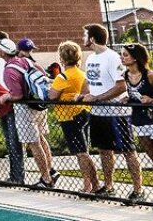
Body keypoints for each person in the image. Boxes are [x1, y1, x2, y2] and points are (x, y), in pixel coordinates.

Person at [80, 24, 143, 202]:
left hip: (117, 113)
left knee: (128, 151)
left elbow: (120, 85)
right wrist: (84, 95)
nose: (82, 38)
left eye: (85, 35)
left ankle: (138, 190)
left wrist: (97, 98)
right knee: (104, 151)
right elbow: (90, 82)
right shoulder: (91, 58)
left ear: (92, 38)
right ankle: (108, 187)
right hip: (98, 114)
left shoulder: (112, 58)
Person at [0, 38, 55, 189]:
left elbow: (17, 95)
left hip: (25, 109)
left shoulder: (9, 70)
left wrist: (5, 96)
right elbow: (42, 73)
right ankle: (50, 171)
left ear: (2, 52)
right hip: (38, 105)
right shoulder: (25, 61)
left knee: (34, 143)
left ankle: (46, 179)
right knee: (41, 139)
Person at [49, 40, 98, 193]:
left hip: (69, 117)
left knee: (81, 152)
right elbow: (84, 91)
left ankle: (91, 184)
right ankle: (91, 184)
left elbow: (52, 96)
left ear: (62, 59)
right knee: (84, 150)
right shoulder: (82, 74)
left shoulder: (62, 77)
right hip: (83, 113)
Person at [123, 44, 153, 174]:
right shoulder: (124, 76)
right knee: (152, 156)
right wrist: (126, 99)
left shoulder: (150, 75)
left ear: (135, 58)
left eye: (125, 55)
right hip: (139, 121)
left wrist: (152, 100)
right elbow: (131, 95)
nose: (122, 57)